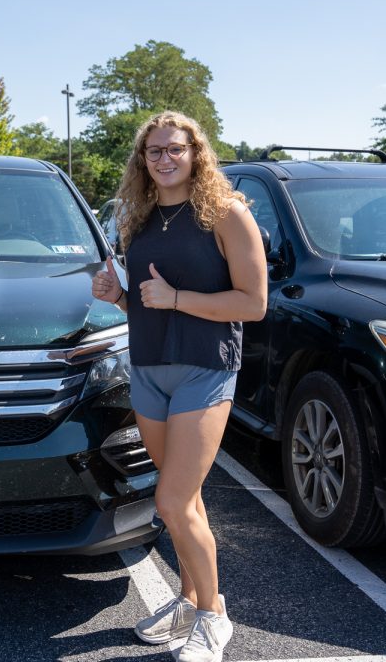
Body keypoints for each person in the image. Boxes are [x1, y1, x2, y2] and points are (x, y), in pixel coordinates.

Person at [91, 110, 266, 662]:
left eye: (175, 149)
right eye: (154, 151)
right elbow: (143, 298)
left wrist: (176, 300)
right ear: (142, 160)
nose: (164, 159)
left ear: (196, 153)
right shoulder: (137, 219)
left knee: (169, 500)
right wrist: (115, 297)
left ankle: (214, 617)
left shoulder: (227, 213)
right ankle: (191, 601)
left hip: (204, 368)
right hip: (148, 368)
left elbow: (254, 304)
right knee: (181, 498)